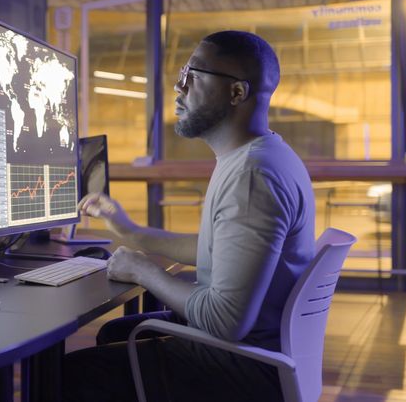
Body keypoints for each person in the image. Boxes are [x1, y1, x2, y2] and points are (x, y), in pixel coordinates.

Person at [62, 30, 316, 402]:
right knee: (116, 335)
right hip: (261, 353)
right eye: (183, 73)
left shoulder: (252, 175)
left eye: (194, 76)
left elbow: (225, 321)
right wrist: (129, 231)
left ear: (236, 93)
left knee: (67, 376)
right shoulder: (259, 156)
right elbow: (221, 250)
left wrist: (142, 270)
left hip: (247, 368)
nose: (179, 88)